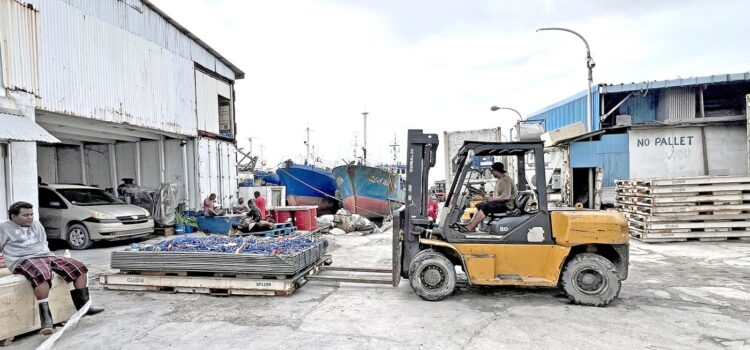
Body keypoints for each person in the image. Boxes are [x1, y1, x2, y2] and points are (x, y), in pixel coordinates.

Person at [0, 202, 104, 336]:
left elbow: (44, 244)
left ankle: (84, 307)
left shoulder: (36, 224)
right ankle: (46, 320)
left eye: (31, 214)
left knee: (79, 267)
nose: (29, 217)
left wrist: (51, 258)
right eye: (25, 215)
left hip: (44, 255)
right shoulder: (4, 228)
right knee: (41, 274)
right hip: (21, 259)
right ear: (13, 216)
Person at [465, 162, 517, 232]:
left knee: (485, 207)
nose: (492, 173)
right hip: (500, 203)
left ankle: (471, 227)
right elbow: (500, 193)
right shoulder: (500, 179)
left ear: (496, 170)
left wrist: (492, 199)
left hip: (507, 206)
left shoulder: (505, 180)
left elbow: (506, 197)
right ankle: (472, 225)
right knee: (479, 205)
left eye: (492, 171)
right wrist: (491, 196)